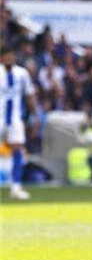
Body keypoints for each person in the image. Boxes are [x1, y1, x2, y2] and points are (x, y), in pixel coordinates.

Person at [0, 48, 37, 200]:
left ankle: (15, 187)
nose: (9, 58)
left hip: (15, 117)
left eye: (12, 55)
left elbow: (29, 95)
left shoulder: (22, 73)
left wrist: (35, 116)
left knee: (17, 149)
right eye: (6, 56)